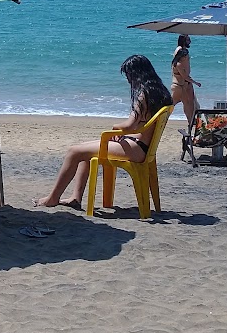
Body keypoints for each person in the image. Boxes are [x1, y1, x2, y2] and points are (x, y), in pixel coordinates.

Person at [37, 55, 172, 209]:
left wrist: (115, 128)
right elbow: (139, 127)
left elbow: (129, 126)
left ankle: (53, 198)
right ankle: (75, 197)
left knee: (73, 151)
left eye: (129, 75)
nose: (128, 80)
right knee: (82, 149)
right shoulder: (161, 92)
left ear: (137, 73)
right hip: (143, 147)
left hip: (136, 149)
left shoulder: (143, 94)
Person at [169, 34, 200, 127]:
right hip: (182, 82)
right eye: (188, 39)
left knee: (190, 103)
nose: (190, 41)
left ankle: (191, 120)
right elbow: (177, 65)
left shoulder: (183, 50)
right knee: (179, 103)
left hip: (186, 81)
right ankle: (190, 121)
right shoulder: (179, 50)